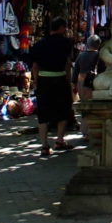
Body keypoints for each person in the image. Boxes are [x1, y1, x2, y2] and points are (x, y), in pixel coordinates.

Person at [30, 16, 74, 157]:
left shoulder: (39, 44)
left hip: (44, 80)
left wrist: (36, 81)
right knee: (63, 110)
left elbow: (35, 66)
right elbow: (68, 64)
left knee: (43, 113)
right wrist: (68, 80)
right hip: (60, 79)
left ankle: (44, 145)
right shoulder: (66, 43)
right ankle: (60, 140)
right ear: (61, 28)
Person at [73, 35, 102, 102]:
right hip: (96, 81)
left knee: (84, 102)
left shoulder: (81, 55)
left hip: (82, 82)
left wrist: (74, 84)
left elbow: (75, 71)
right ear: (98, 45)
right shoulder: (100, 55)